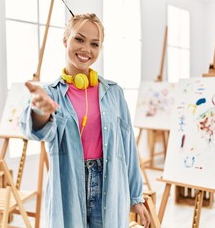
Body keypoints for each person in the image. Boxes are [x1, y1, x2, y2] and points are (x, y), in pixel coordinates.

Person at [20, 13, 150, 228]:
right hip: (69, 184)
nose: (86, 49)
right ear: (65, 40)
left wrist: (136, 197)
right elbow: (35, 131)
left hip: (110, 184)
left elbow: (127, 147)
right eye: (79, 39)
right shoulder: (50, 94)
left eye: (94, 44)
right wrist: (40, 111)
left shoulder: (114, 93)